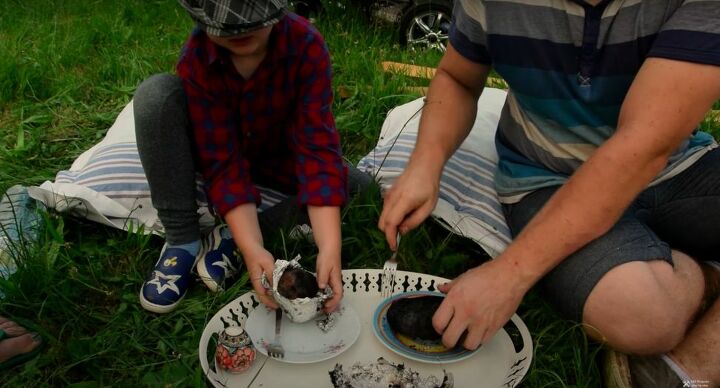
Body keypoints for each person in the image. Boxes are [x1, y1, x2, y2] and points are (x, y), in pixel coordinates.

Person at [378, 0, 720, 386]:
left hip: (675, 166)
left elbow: (643, 146)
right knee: (640, 316)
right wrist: (427, 163)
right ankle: (706, 276)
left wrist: (508, 275)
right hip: (545, 178)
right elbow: (458, 77)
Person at [133, 0, 370, 314]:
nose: (239, 33)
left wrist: (329, 246)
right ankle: (182, 241)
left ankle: (237, 235)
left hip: (281, 159)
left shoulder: (306, 45)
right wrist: (252, 246)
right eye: (225, 26)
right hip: (215, 154)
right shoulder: (197, 56)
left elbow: (316, 149)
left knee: (362, 189)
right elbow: (222, 160)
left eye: (253, 22)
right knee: (155, 97)